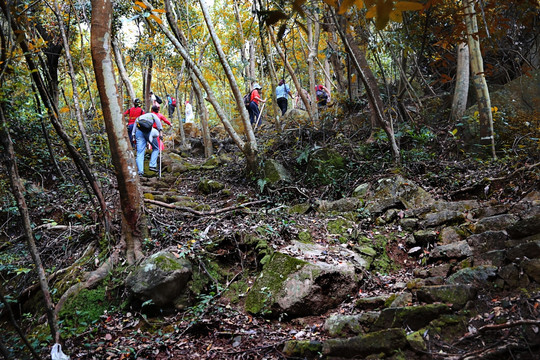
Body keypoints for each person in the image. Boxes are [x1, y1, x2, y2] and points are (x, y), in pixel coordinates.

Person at [132, 106, 163, 175]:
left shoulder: (139, 118)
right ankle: (152, 165)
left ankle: (140, 171)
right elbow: (159, 126)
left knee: (140, 152)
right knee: (156, 148)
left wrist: (134, 138)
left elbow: (133, 131)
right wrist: (160, 134)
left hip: (138, 133)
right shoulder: (153, 115)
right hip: (149, 133)